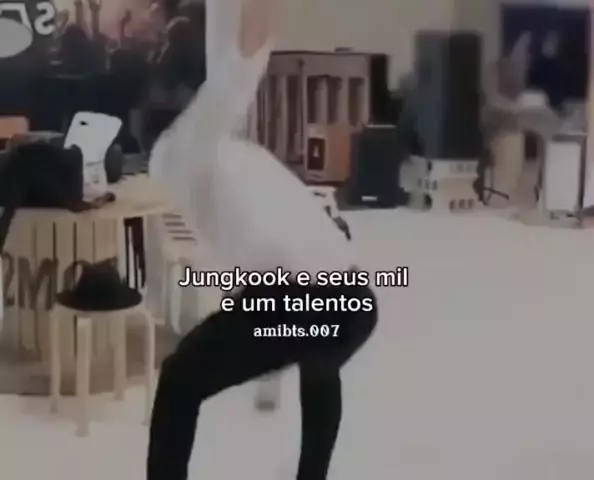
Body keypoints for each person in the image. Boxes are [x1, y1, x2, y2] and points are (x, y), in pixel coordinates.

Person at [146, 0, 378, 479]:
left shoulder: (182, 150)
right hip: (356, 304)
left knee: (179, 378)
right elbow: (234, 68)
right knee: (317, 359)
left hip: (303, 305)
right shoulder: (241, 154)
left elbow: (234, 72)